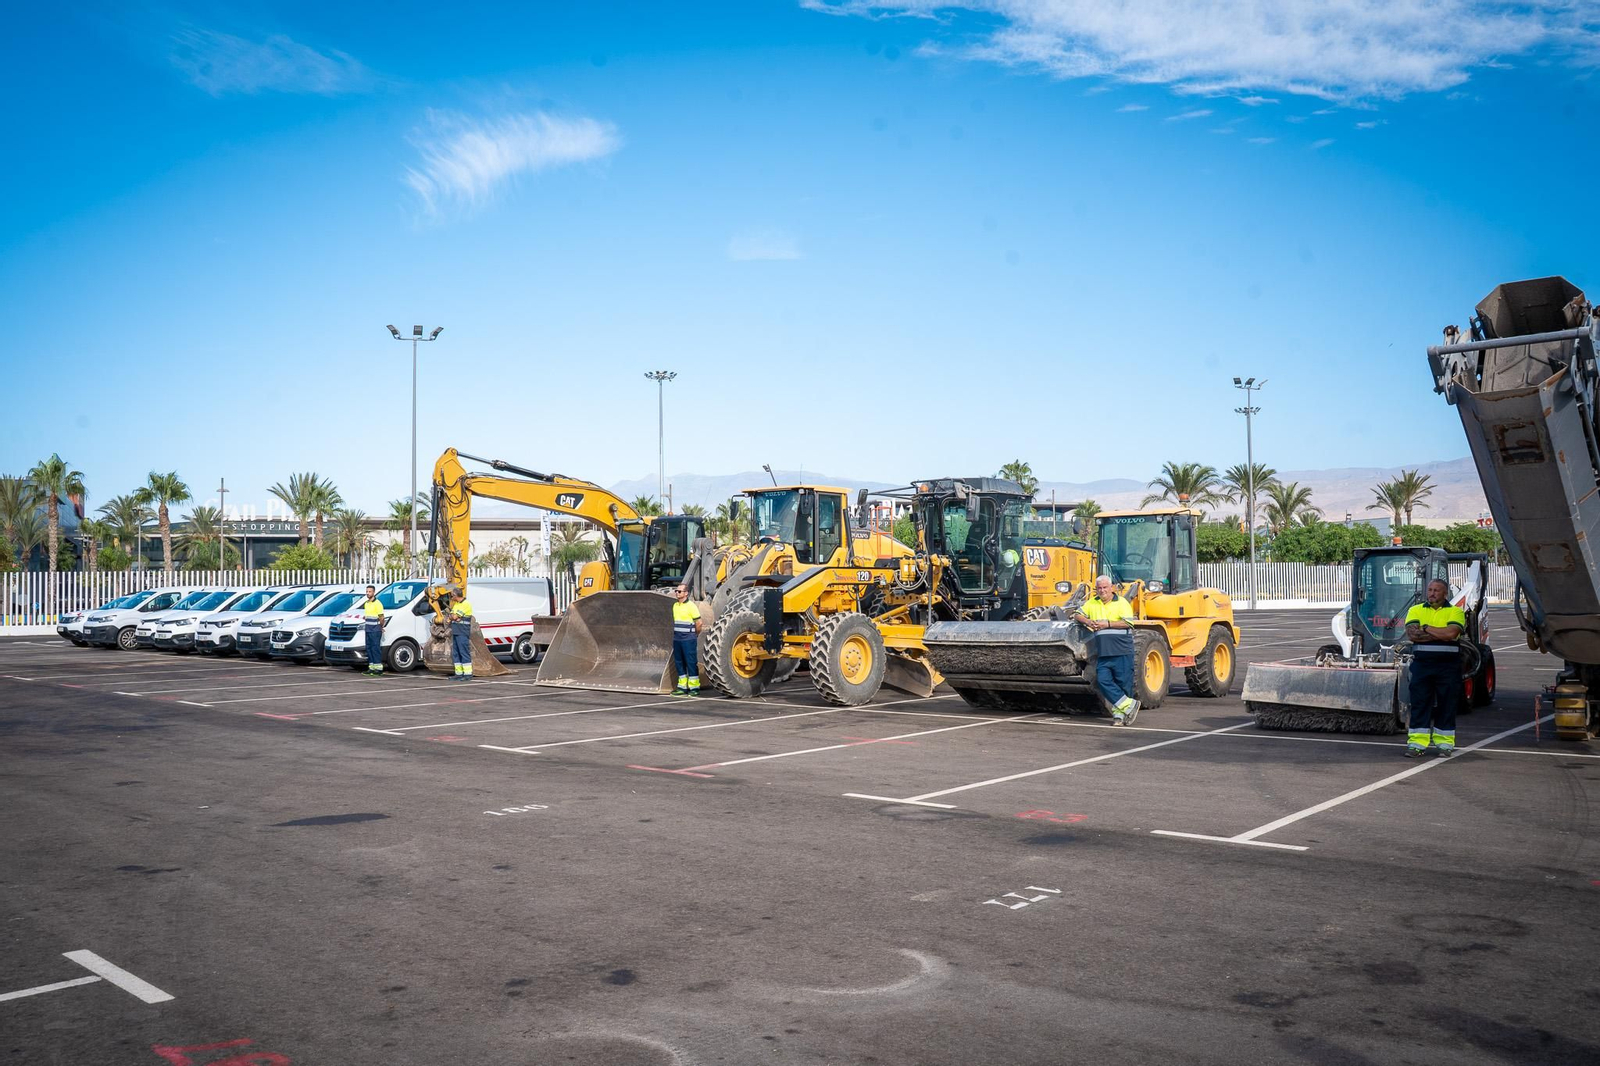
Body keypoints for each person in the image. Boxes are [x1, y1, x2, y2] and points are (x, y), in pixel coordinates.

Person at [1403, 578, 1467, 757]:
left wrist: (1425, 628)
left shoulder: (1456, 612)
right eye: (1430, 590)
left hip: (1448, 667)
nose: (1431, 593)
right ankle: (1417, 744)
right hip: (1422, 666)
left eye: (1436, 590)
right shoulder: (1415, 609)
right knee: (1420, 703)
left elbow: (1451, 634)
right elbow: (1412, 635)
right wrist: (1440, 633)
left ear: (1445, 593)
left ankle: (1445, 744)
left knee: (1447, 704)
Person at [1073, 575, 1140, 725]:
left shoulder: (1122, 602)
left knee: (1123, 683)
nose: (1102, 591)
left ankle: (1119, 715)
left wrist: (1107, 624)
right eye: (1099, 588)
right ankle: (1129, 705)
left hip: (1121, 650)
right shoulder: (1092, 603)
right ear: (1096, 589)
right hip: (1104, 652)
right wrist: (1088, 621)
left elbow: (1128, 623)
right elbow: (1077, 614)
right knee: (1103, 680)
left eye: (1105, 587)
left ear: (1111, 588)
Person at [671, 584, 703, 695]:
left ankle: (694, 688)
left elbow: (699, 623)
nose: (677, 593)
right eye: (676, 591)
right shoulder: (675, 606)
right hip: (677, 639)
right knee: (679, 662)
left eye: (679, 591)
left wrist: (694, 634)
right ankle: (682, 687)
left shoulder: (691, 606)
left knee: (691, 662)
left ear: (686, 593)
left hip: (688, 639)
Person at [441, 587, 475, 681]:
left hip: (462, 632)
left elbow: (454, 616)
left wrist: (453, 617)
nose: (451, 597)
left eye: (452, 596)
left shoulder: (466, 604)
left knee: (464, 652)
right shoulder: (456, 604)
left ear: (456, 595)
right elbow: (451, 616)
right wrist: (453, 617)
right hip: (456, 632)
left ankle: (467, 674)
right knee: (456, 653)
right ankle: (458, 674)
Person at [361, 585, 385, 676]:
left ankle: (378, 669)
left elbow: (381, 617)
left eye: (369, 591)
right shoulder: (366, 603)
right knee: (369, 648)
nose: (368, 593)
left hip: (375, 630)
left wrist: (381, 627)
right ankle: (371, 667)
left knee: (375, 649)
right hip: (368, 630)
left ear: (373, 592)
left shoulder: (378, 603)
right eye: (367, 591)